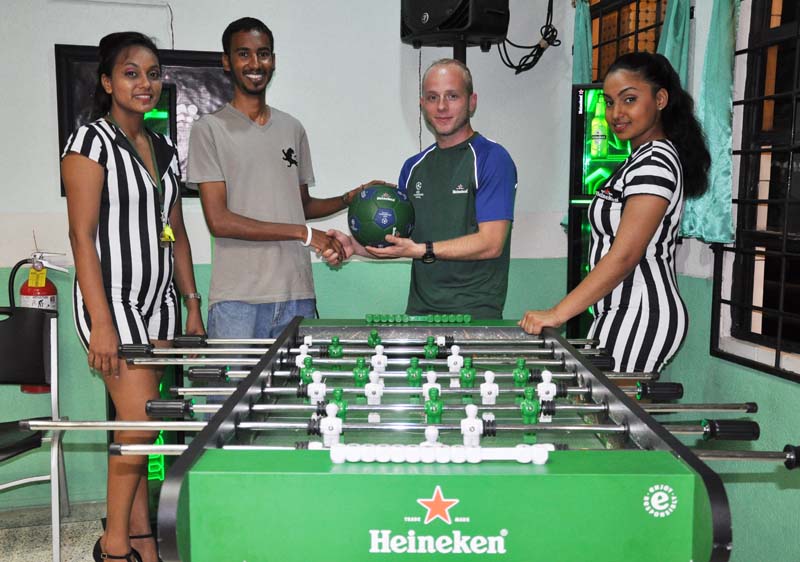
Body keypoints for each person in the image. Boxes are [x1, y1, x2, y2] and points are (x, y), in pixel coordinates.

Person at [62, 32, 204, 562]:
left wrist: (191, 304)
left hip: (161, 299)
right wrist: (101, 321)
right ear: (106, 81)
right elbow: (81, 236)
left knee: (145, 425)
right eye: (130, 72)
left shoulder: (164, 149)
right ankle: (114, 544)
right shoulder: (89, 142)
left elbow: (178, 231)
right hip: (113, 300)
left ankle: (142, 534)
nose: (145, 83)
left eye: (152, 73)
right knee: (139, 421)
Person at [519, 52, 710, 373]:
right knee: (601, 416)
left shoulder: (655, 162)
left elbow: (624, 256)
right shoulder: (641, 158)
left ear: (660, 99)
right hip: (620, 310)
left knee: (612, 418)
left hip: (640, 311)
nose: (616, 113)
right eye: (609, 102)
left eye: (629, 99)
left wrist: (557, 313)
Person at [187, 17, 367, 339]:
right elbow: (219, 221)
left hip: (297, 295)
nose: (255, 63)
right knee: (234, 392)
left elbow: (300, 205)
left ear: (273, 61)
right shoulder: (208, 130)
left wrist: (348, 199)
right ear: (226, 62)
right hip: (238, 300)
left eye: (263, 53)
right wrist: (305, 234)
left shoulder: (292, 128)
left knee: (296, 392)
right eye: (243, 54)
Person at [332, 59, 518, 319]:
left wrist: (423, 250)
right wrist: (353, 246)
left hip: (474, 317)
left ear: (472, 101)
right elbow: (405, 243)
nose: (441, 106)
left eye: (452, 96)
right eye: (432, 97)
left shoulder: (493, 159)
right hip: (419, 316)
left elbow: (491, 243)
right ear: (422, 105)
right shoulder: (413, 167)